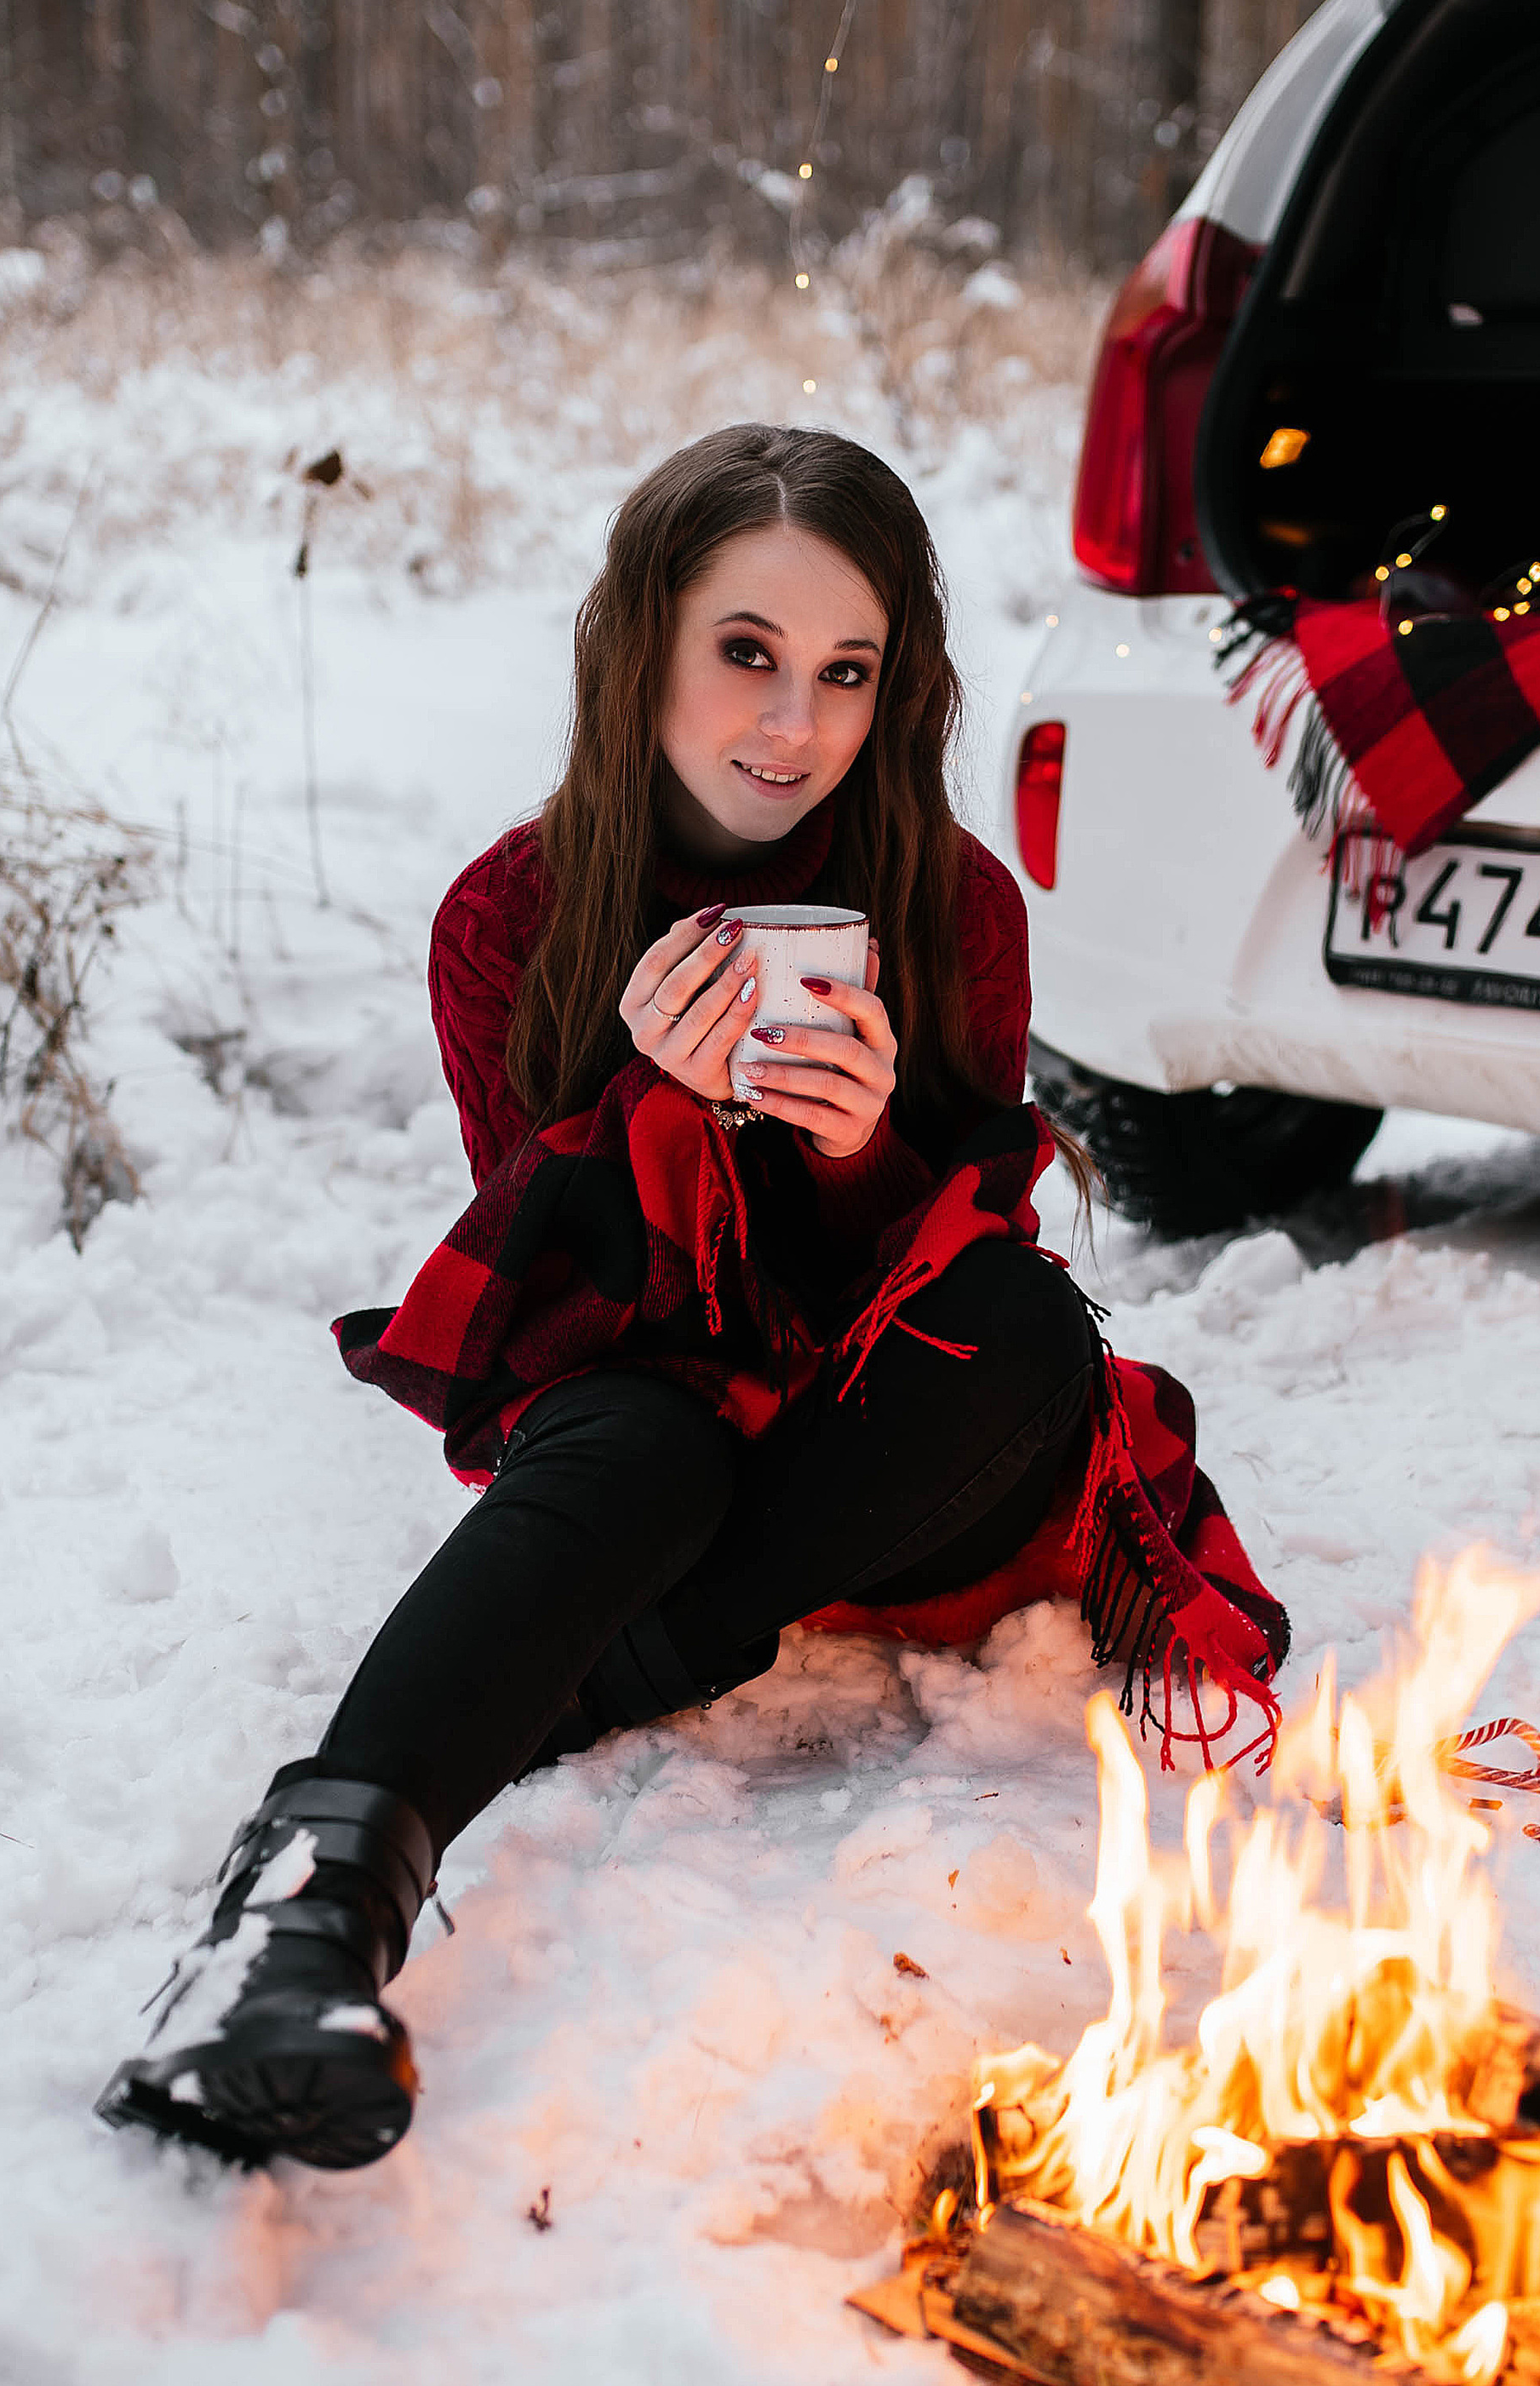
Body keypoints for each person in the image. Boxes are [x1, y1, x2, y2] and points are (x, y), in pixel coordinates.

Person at [98, 427, 1288, 2174]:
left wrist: (861, 1149)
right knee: (641, 1443)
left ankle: (536, 1675)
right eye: (744, 652)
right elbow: (541, 1315)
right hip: (640, 1416)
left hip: (883, 1458)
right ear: (640, 643)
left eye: (845, 673)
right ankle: (301, 1926)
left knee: (1027, 1341)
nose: (790, 728)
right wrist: (641, 1108)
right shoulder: (511, 916)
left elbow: (973, 1271)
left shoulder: (950, 907)